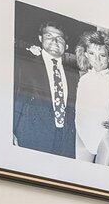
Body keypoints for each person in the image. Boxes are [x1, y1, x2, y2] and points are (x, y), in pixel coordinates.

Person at [13, 22, 75, 158]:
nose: (54, 41)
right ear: (40, 39)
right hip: (33, 137)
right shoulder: (24, 64)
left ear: (66, 45)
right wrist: (11, 130)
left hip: (66, 141)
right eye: (49, 36)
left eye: (59, 38)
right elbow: (15, 99)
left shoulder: (74, 75)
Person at [72, 29, 109, 166]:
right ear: (86, 54)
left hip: (104, 137)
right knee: (79, 179)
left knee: (102, 180)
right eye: (92, 54)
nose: (97, 60)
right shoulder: (82, 78)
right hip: (81, 135)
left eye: (102, 55)